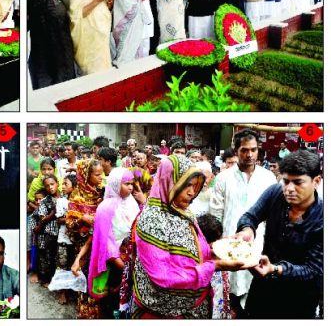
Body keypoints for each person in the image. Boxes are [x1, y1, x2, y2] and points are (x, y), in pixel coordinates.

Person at [130, 155, 247, 318]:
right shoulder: (152, 219)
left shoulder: (182, 211)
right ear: (169, 182)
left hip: (192, 305)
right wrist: (215, 266)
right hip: (163, 311)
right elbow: (163, 275)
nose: (192, 192)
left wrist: (223, 249)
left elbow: (195, 248)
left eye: (194, 186)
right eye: (185, 186)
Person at [235, 150, 322, 318]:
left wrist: (275, 269)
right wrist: (247, 230)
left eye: (298, 182)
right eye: (286, 181)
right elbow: (250, 216)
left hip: (299, 299)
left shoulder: (323, 218)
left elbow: (314, 270)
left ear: (316, 181)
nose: (289, 189)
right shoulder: (275, 192)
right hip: (263, 288)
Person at [208, 129, 277, 316]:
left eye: (253, 150)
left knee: (255, 289)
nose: (249, 154)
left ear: (258, 150)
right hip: (229, 243)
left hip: (259, 243)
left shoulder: (268, 178)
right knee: (229, 291)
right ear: (236, 150)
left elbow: (273, 215)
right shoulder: (223, 178)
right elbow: (215, 214)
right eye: (244, 150)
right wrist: (217, 243)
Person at [87, 168, 140, 318]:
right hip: (114, 263)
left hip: (130, 259)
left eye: (131, 183)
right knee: (111, 301)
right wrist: (123, 267)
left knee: (125, 303)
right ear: (116, 184)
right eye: (126, 183)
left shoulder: (132, 203)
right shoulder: (105, 207)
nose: (130, 187)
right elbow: (106, 241)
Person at [66, 159, 104, 318]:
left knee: (99, 281)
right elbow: (69, 225)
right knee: (85, 281)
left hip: (99, 244)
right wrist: (82, 219)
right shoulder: (76, 196)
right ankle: (86, 314)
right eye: (97, 175)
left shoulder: (101, 192)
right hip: (82, 246)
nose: (100, 178)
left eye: (101, 174)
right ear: (86, 175)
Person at [69, 0, 113, 75]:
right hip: (88, 39)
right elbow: (77, 14)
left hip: (102, 35)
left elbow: (106, 7)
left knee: (104, 71)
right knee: (93, 74)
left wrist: (110, 0)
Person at [112, 0, 147, 67]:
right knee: (126, 62)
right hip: (126, 30)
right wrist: (140, 5)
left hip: (134, 29)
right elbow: (130, 10)